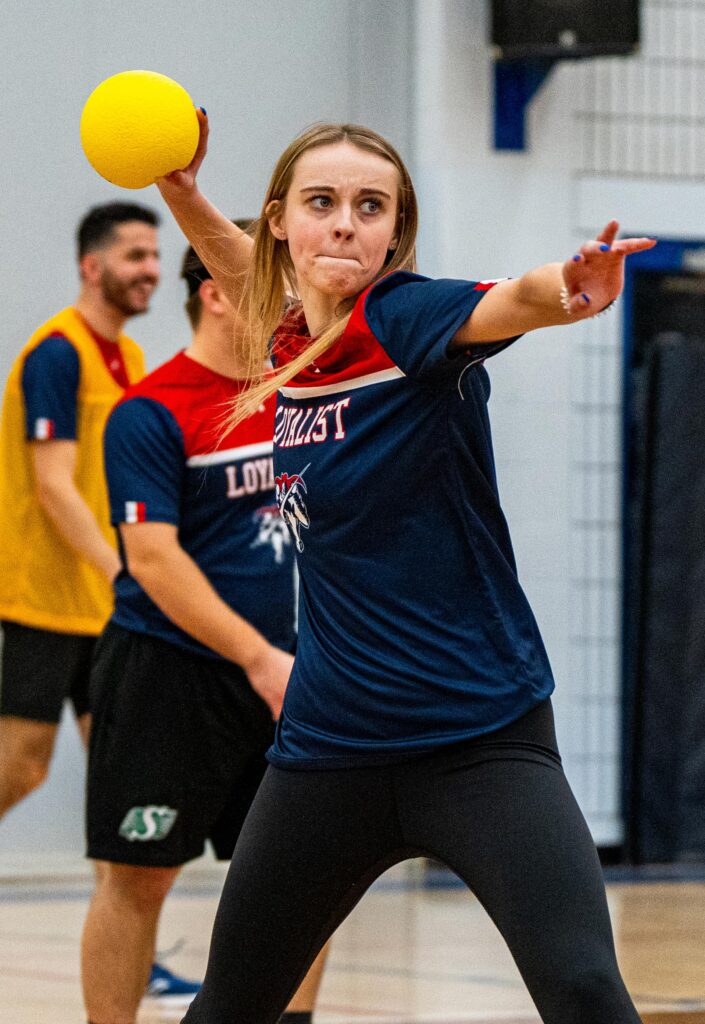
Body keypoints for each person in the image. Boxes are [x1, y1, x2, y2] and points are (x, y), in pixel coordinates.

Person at [153, 114, 655, 1024]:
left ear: (393, 232)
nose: (345, 223)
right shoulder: (288, 337)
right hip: (328, 752)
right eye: (322, 203)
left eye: (369, 206)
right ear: (281, 222)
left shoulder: (405, 319)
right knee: (230, 1005)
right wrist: (182, 193)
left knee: (583, 988)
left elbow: (507, 302)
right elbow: (242, 270)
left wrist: (567, 289)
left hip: (479, 739)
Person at [81, 237, 329, 1024]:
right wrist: (257, 657)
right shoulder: (151, 411)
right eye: (269, 287)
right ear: (215, 293)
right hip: (169, 676)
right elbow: (151, 561)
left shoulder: (297, 399)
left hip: (291, 677)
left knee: (303, 874)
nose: (289, 304)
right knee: (138, 876)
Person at [0, 201, 198, 1001]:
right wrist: (129, 569)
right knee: (21, 766)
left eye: (156, 256)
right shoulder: (57, 353)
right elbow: (53, 487)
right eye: (136, 255)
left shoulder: (130, 359)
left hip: (105, 609)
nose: (151, 268)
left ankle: (128, 946)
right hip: (48, 600)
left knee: (123, 778)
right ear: (93, 266)